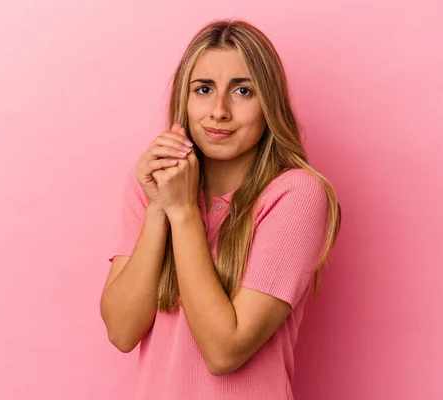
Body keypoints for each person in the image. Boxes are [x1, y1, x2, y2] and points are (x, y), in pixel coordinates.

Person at [100, 18, 341, 400]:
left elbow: (224, 350)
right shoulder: (150, 184)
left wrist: (182, 213)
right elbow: (122, 331)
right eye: (204, 89)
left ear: (269, 104)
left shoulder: (296, 195)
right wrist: (159, 207)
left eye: (243, 90)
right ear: (184, 97)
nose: (219, 111)